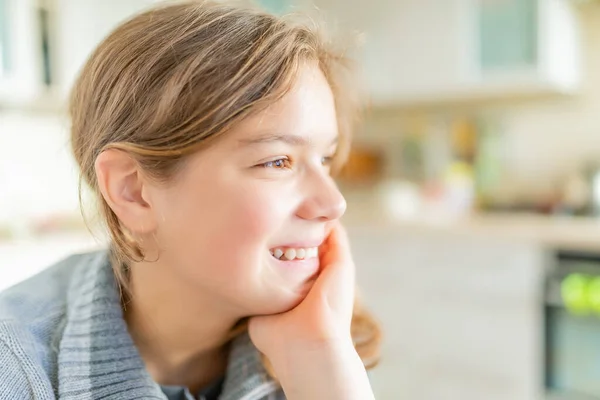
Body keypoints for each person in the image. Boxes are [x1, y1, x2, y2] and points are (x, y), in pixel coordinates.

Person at [0, 1, 381, 399]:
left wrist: (322, 367)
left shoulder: (320, 336)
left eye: (325, 159)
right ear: (134, 192)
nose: (333, 203)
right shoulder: (12, 370)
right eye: (277, 161)